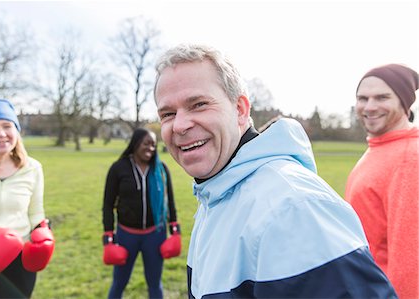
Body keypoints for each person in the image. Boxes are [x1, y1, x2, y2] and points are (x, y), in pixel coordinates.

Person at [153, 44, 397, 298]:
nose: (180, 125)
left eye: (199, 104)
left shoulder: (293, 207)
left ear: (240, 110)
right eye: (168, 114)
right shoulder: (215, 196)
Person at [345, 64, 418, 298]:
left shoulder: (410, 158)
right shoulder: (380, 148)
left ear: (405, 104)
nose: (370, 107)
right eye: (363, 98)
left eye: (382, 97)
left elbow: (410, 261)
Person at [0, 98, 54, 298]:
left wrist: (42, 230)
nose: (1, 133)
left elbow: (36, 212)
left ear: (16, 131)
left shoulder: (33, 168)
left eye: (7, 126)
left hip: (18, 262)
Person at [102, 127, 181, 299]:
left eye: (153, 145)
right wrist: (108, 238)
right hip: (126, 235)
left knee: (155, 283)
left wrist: (175, 231)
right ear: (136, 143)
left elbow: (171, 201)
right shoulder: (118, 168)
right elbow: (108, 205)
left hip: (155, 234)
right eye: (146, 144)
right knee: (119, 282)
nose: (151, 148)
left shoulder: (161, 169)